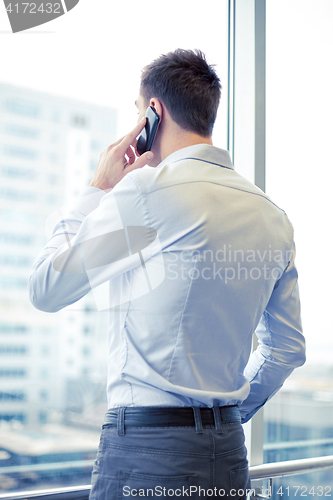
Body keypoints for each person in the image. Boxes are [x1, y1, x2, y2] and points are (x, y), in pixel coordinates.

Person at [29, 49, 306, 499]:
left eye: (139, 112)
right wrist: (225, 414)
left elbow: (47, 287)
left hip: (147, 452)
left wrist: (99, 188)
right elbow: (287, 351)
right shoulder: (273, 217)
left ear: (154, 113)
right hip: (229, 454)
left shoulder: (145, 194)